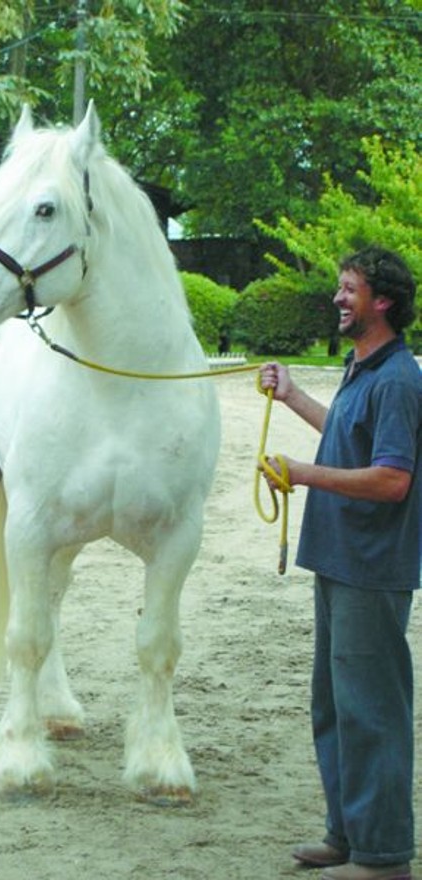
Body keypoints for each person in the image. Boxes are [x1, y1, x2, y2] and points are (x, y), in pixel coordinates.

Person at [259, 245, 421, 880]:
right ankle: (347, 836)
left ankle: (383, 860)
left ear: (382, 301)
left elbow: (391, 480)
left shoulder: (401, 379)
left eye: (348, 288)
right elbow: (348, 441)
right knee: (333, 706)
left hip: (370, 568)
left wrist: (301, 474)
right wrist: (296, 397)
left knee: (371, 710)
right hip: (338, 561)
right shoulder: (365, 369)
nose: (337, 298)